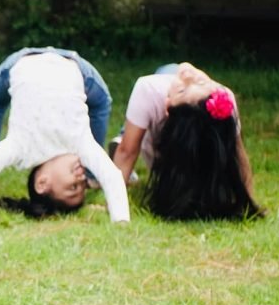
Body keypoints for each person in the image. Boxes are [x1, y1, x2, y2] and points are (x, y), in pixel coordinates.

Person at [0, 49, 129, 224]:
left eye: (73, 186)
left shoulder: (21, 147)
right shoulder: (80, 145)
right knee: (101, 103)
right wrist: (121, 222)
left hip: (24, 59)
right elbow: (112, 176)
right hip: (72, 64)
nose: (80, 179)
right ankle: (93, 175)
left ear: (42, 183)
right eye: (83, 184)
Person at [110, 62, 261, 220]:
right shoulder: (222, 97)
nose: (189, 75)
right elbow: (127, 151)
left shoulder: (150, 90)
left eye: (183, 89)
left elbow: (237, 154)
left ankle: (127, 130)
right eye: (200, 82)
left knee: (168, 71)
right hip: (171, 147)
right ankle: (128, 131)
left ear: (168, 106)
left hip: (174, 155)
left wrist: (247, 200)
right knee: (168, 70)